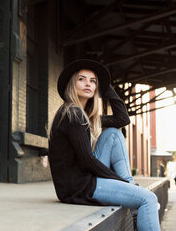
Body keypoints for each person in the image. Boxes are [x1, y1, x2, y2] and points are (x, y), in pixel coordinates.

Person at [48, 59, 160, 231]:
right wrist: (120, 181)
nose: (88, 84)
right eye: (82, 79)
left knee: (113, 134)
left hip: (81, 182)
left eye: (93, 81)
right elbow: (87, 160)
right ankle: (134, 197)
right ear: (72, 84)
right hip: (79, 187)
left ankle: (133, 199)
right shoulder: (73, 115)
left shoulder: (85, 116)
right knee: (149, 199)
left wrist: (105, 85)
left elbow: (122, 119)